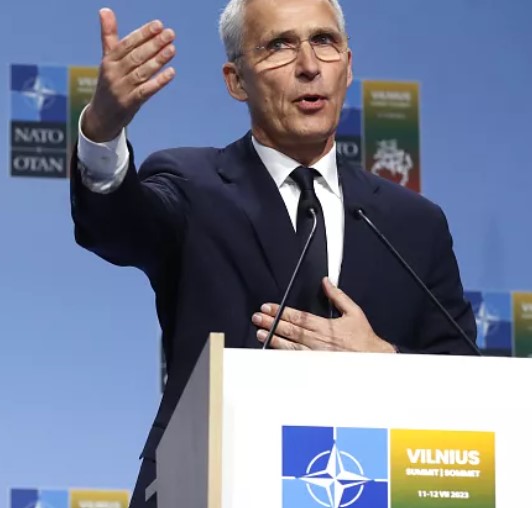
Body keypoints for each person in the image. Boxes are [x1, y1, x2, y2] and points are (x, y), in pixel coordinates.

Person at [68, 0, 478, 505]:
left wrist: (384, 361)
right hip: (213, 483)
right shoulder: (192, 185)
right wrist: (103, 130)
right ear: (236, 81)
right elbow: (116, 227)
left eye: (324, 41)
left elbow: (471, 387)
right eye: (279, 46)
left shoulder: (414, 223)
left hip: (371, 486)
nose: (309, 65)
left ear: (348, 66)